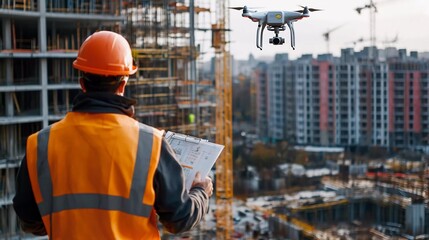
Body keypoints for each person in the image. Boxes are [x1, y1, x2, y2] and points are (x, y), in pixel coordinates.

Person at [13, 30, 213, 239]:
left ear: (82, 84)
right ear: (123, 84)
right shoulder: (149, 143)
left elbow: (31, 221)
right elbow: (179, 219)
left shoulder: (40, 144)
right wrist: (200, 192)